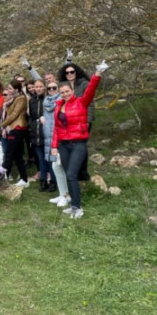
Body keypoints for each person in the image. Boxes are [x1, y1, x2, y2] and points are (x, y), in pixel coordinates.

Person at [51, 61, 107, 219]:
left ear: (72, 90)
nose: (65, 94)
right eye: (62, 92)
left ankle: (77, 207)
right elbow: (56, 129)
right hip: (63, 145)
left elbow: (90, 89)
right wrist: (54, 146)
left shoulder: (81, 102)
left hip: (78, 144)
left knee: (71, 174)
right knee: (69, 175)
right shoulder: (58, 106)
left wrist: (97, 74)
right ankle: (73, 203)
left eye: (67, 91)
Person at [42, 81, 71, 207]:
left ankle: (68, 195)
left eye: (55, 88)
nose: (52, 89)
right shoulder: (50, 103)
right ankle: (63, 193)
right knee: (56, 167)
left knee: (64, 167)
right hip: (54, 137)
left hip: (66, 139)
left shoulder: (65, 103)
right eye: (49, 88)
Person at [1, 80, 29, 188]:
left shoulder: (21, 98)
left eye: (10, 88)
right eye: (8, 88)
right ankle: (24, 179)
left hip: (18, 127)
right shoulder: (13, 99)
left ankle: (1, 177)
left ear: (16, 89)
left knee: (9, 153)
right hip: (13, 127)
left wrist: (3, 124)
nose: (8, 90)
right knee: (17, 155)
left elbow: (14, 115)